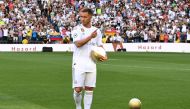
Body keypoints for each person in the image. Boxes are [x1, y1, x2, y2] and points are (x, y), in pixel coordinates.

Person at [71, 7, 108, 109]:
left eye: (85, 17)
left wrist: (104, 54)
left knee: (89, 89)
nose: (82, 19)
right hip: (78, 63)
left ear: (90, 17)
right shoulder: (76, 29)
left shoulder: (97, 31)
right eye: (81, 17)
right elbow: (78, 44)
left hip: (91, 63)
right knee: (78, 89)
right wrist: (90, 37)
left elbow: (99, 45)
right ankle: (78, 107)